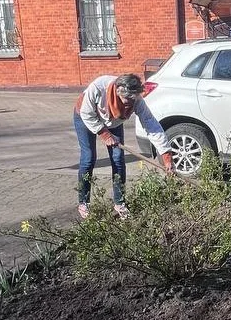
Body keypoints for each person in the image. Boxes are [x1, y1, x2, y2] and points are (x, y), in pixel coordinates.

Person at [74, 73, 173, 220]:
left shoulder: (136, 99)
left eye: (133, 100)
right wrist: (104, 134)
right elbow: (86, 113)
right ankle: (83, 202)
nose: (130, 104)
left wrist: (166, 154)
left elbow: (151, 124)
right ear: (118, 91)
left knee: (118, 159)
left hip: (114, 122)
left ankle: (119, 203)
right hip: (85, 118)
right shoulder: (98, 87)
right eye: (127, 100)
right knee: (88, 158)